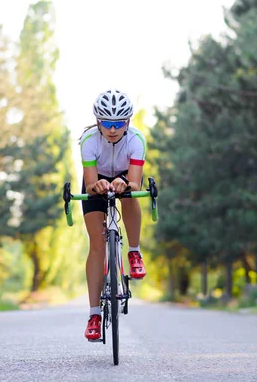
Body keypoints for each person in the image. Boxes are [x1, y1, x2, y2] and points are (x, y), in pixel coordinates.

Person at [79, 88, 147, 341]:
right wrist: (96, 187)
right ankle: (94, 314)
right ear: (98, 121)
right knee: (97, 246)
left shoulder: (137, 140)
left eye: (119, 123)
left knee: (130, 196)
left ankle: (134, 251)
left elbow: (136, 182)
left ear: (128, 121)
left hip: (125, 179)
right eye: (106, 123)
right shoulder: (89, 140)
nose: (112, 129)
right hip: (96, 181)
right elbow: (89, 183)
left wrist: (124, 183)